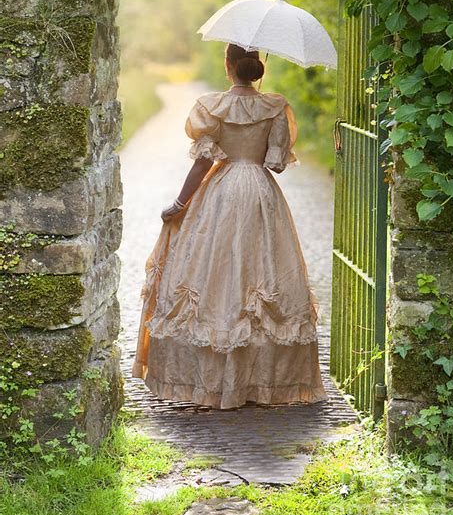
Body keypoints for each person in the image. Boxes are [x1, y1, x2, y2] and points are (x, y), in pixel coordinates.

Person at [131, 43, 327, 409]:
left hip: (221, 194)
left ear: (228, 65)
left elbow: (203, 163)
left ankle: (213, 382)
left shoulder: (211, 107)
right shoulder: (275, 106)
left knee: (217, 276)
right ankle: (258, 383)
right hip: (260, 195)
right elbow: (277, 163)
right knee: (260, 274)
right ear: (257, 67)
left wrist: (179, 204)